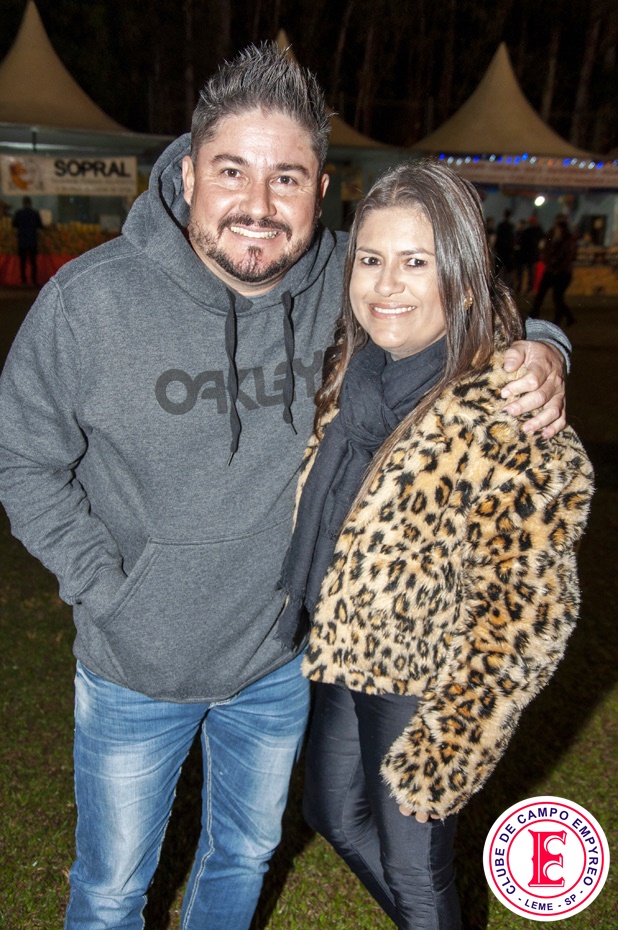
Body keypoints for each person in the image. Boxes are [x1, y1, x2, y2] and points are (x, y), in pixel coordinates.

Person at [0, 43, 570, 930]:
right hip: (134, 668)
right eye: (233, 171)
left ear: (321, 189)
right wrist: (110, 588)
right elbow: (23, 463)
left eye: (288, 178)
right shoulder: (87, 304)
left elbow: (458, 298)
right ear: (189, 175)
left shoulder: (348, 278)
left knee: (244, 854)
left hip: (278, 663)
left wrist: (544, 348)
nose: (259, 206)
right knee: (111, 891)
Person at [279, 161, 593, 929]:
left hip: (426, 679)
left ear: (462, 276)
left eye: (416, 261)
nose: (386, 285)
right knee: (331, 811)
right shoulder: (356, 370)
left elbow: (530, 612)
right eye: (371, 258)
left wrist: (452, 738)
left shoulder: (508, 414)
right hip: (343, 645)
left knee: (415, 870)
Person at [530, 218, 578, 327]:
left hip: (561, 273)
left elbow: (568, 257)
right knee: (542, 294)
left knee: (557, 297)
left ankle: (563, 317)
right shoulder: (552, 237)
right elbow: (547, 251)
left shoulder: (567, 240)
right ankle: (534, 314)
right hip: (552, 271)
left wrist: (557, 266)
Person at [12, 195, 42, 285]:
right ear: (30, 203)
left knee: (23, 262)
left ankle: (23, 280)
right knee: (33, 262)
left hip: (22, 240)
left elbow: (14, 225)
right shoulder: (35, 213)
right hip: (32, 240)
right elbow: (40, 225)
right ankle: (34, 280)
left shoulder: (19, 213)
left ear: (23, 203)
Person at [518, 215, 544, 294]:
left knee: (529, 272)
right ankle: (528, 287)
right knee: (530, 272)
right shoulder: (536, 231)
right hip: (530, 254)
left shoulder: (530, 231)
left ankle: (527, 287)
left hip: (529, 254)